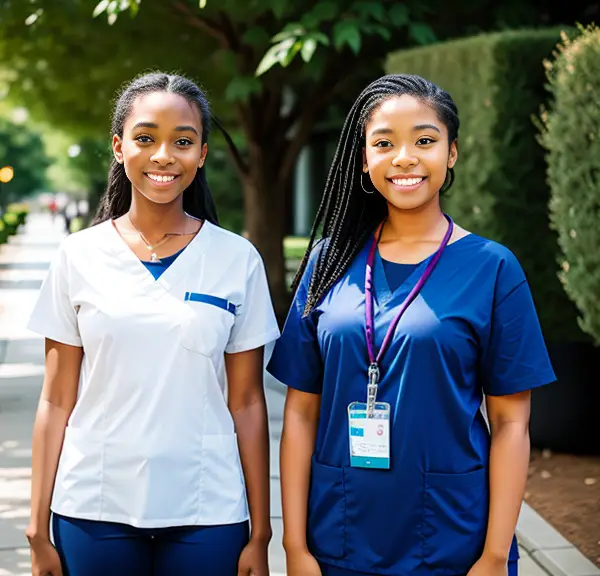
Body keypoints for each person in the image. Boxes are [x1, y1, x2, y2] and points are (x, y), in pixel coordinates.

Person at [268, 74, 556, 576]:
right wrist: (295, 546)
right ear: (363, 159)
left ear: (452, 153)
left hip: (454, 541)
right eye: (384, 143)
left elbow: (512, 424)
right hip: (339, 537)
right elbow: (300, 416)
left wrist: (492, 555)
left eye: (425, 140)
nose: (404, 157)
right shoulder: (327, 264)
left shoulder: (492, 268)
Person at [26, 72, 280, 576]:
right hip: (93, 507)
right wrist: (36, 526)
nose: (164, 155)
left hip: (208, 508)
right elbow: (56, 398)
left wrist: (261, 530)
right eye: (146, 138)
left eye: (182, 141)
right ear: (119, 148)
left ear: (202, 154)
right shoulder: (78, 256)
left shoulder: (237, 259)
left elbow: (248, 402)